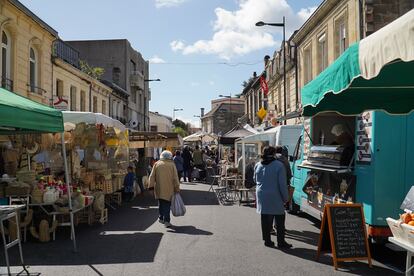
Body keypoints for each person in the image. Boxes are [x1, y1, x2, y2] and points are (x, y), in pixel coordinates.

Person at [254, 146, 292, 248]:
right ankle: (281, 241)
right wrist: (286, 198)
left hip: (261, 194)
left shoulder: (258, 165)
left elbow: (255, 179)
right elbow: (282, 184)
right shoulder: (279, 165)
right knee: (279, 218)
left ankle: (267, 240)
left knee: (265, 218)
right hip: (275, 194)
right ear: (274, 153)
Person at [149, 150, 181, 227]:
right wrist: (177, 188)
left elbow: (152, 176)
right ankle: (166, 220)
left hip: (159, 188)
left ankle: (161, 217)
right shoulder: (172, 165)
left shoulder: (157, 164)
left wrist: (151, 187)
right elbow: (175, 178)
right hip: (169, 188)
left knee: (161, 203)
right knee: (167, 204)